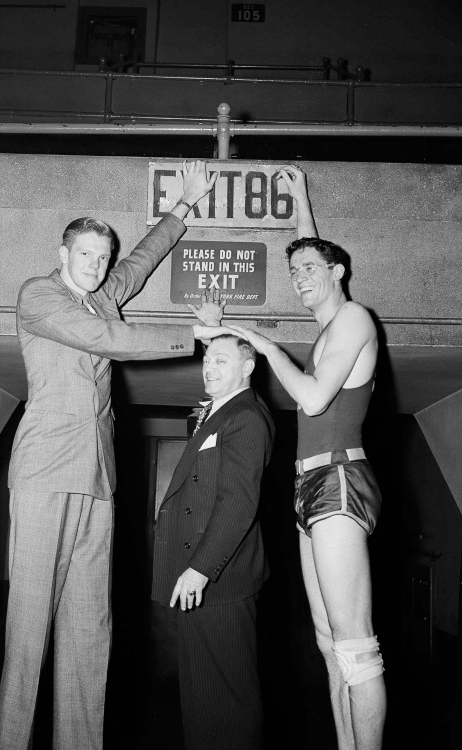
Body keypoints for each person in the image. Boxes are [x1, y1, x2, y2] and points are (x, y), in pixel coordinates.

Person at [0, 161, 227, 750]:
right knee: (28, 629)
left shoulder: (101, 295)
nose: (96, 267)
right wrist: (192, 336)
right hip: (45, 473)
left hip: (98, 478)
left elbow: (140, 263)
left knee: (89, 630)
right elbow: (106, 340)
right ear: (62, 252)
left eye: (102, 258)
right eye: (86, 255)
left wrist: (184, 205)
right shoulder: (40, 296)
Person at [229, 165, 386, 750]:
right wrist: (299, 199)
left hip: (340, 479)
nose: (298, 279)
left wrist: (266, 345)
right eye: (292, 273)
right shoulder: (326, 327)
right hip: (309, 485)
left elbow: (317, 397)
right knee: (328, 643)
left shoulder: (352, 319)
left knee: (354, 645)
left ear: (339, 272)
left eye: (310, 271)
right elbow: (311, 252)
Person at [151, 334, 274, 750]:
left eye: (222, 360)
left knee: (227, 701)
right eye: (207, 359)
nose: (210, 366)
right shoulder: (219, 414)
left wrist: (201, 569)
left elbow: (238, 503)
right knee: (204, 699)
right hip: (198, 582)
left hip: (219, 582)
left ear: (248, 367)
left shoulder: (246, 417)